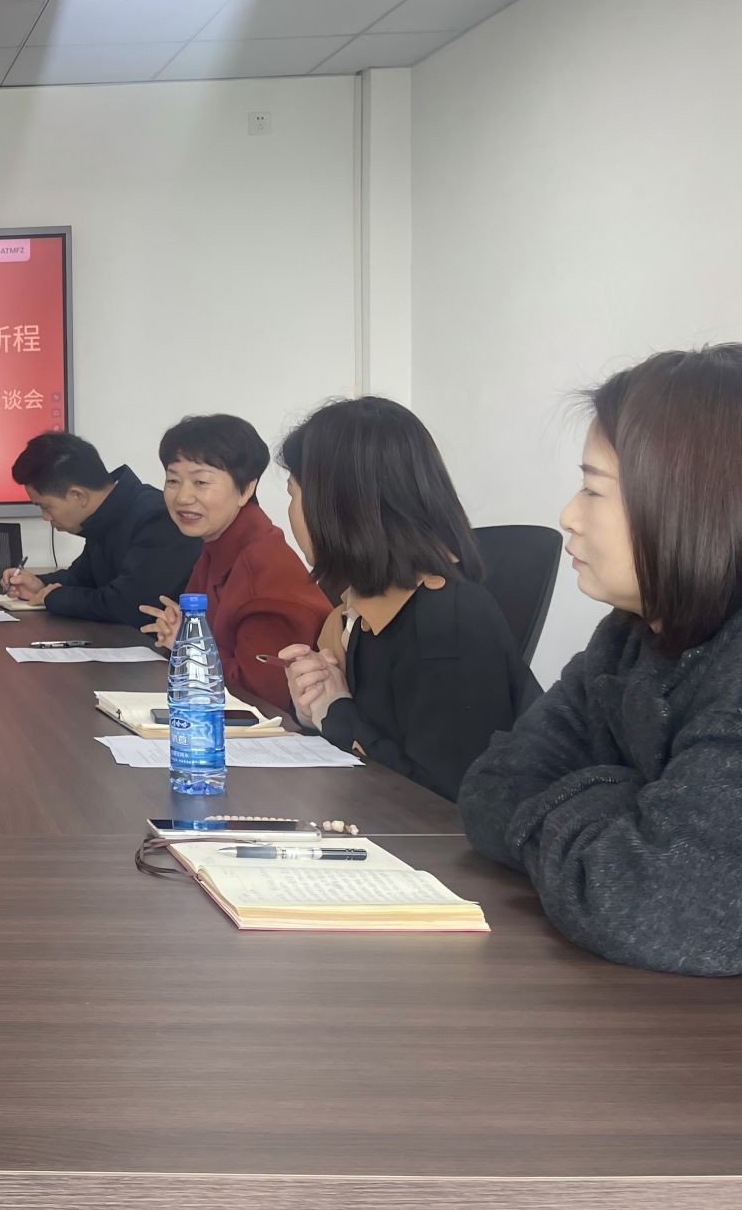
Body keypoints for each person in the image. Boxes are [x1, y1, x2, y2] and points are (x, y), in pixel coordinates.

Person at [462, 344, 742, 979]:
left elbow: (650, 901)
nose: (568, 516)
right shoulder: (626, 638)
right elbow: (492, 790)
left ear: (691, 502)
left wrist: (606, 806)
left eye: (593, 489)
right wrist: (629, 804)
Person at [274, 398, 540, 800]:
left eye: (293, 494)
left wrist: (337, 713)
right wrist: (315, 708)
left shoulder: (448, 621)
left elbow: (444, 803)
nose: (291, 512)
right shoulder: (360, 612)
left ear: (339, 506)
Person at [140, 413, 330, 710]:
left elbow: (265, 693)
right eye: (173, 480)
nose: (183, 497)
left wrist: (187, 649)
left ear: (246, 489)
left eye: (201, 482)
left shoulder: (262, 569)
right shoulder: (219, 544)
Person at [0, 431, 200, 624]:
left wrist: (53, 597)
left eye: (45, 506)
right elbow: (82, 578)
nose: (45, 517)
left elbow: (129, 605)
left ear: (78, 495)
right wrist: (39, 584)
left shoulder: (157, 519)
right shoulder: (105, 516)